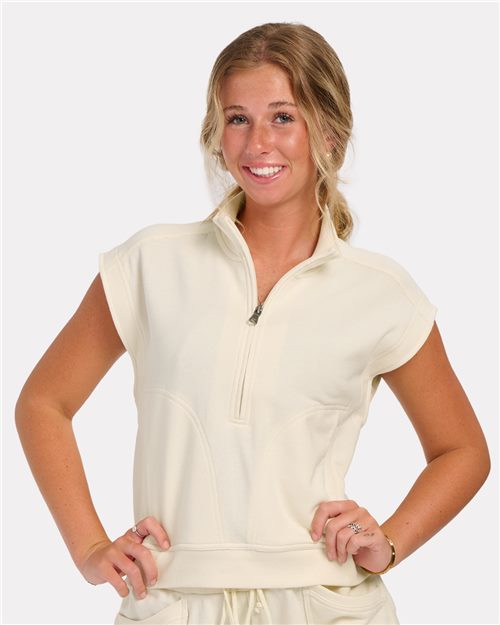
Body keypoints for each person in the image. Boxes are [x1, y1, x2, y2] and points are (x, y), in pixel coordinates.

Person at [15, 22, 490, 625]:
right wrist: (87, 547)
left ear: (329, 129)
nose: (258, 143)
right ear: (217, 134)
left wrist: (390, 542)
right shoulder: (149, 265)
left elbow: (462, 450)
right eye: (237, 119)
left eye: (283, 117)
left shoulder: (382, 293)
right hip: (174, 602)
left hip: (326, 605)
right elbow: (44, 402)